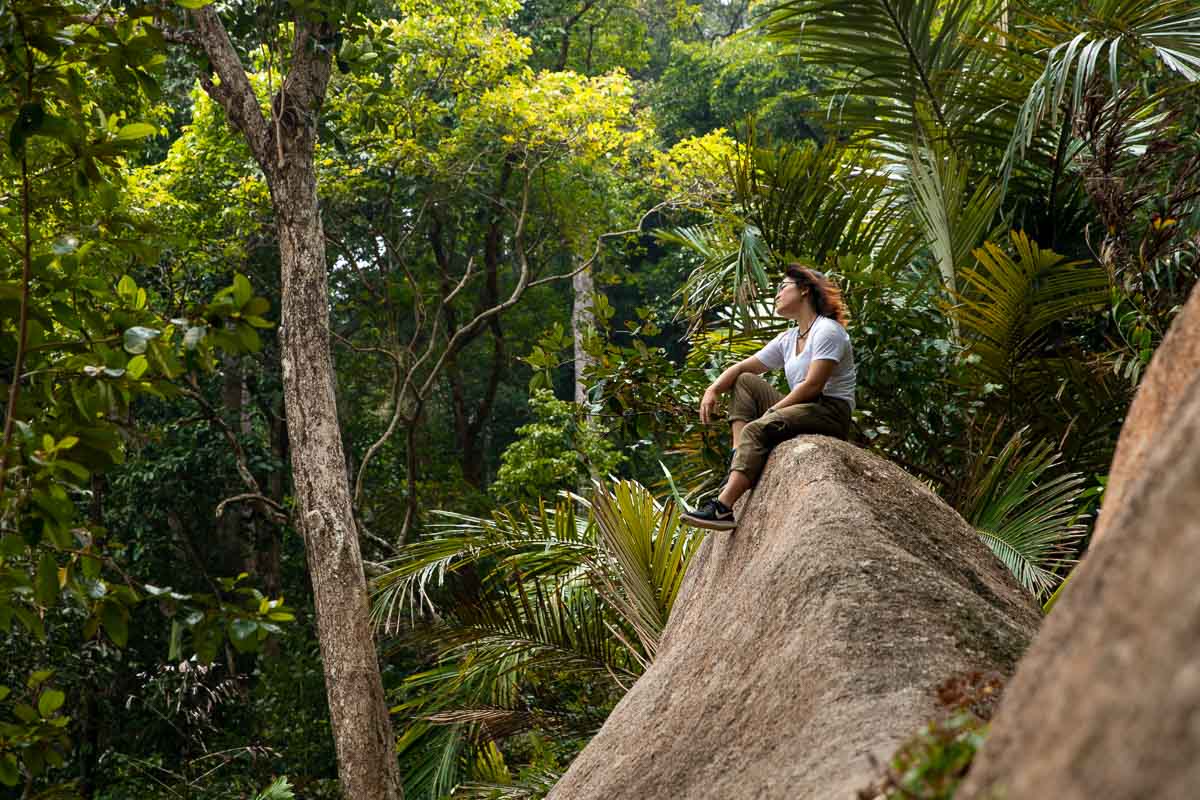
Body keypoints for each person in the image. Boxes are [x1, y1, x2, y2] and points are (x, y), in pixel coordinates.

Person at [682, 265, 856, 531]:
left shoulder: (828, 331)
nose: (776, 294)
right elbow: (742, 368)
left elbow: (812, 386)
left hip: (830, 411)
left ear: (805, 290)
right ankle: (737, 455)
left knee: (756, 428)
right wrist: (713, 389)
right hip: (804, 406)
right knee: (745, 382)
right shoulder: (789, 338)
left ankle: (723, 508)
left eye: (782, 287)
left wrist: (772, 411)